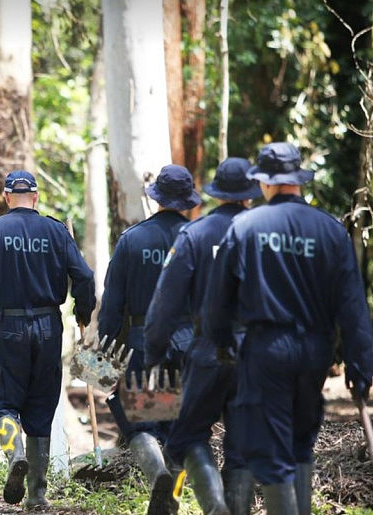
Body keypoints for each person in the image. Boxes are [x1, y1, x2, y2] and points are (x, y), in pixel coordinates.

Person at [203, 142, 373, 514]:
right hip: (316, 351)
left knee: (274, 445)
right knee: (301, 441)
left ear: (264, 183)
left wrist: (221, 344)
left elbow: (218, 303)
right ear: (297, 180)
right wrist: (361, 366)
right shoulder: (330, 231)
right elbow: (353, 305)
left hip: (266, 349)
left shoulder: (245, 227)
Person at [0, 170, 95, 508]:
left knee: (1, 402)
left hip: (10, 326)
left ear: (7, 197)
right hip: (50, 326)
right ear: (35, 197)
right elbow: (84, 275)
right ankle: (37, 494)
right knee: (41, 405)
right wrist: (83, 310)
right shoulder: (56, 230)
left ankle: (15, 454)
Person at [144, 158, 261, 515]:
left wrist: (153, 352)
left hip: (209, 351)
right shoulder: (265, 235)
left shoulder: (195, 235)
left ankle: (214, 508)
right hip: (256, 353)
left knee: (188, 434)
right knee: (241, 447)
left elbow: (165, 304)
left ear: (216, 193)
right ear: (250, 195)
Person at [97, 165, 200, 515]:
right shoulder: (198, 238)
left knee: (142, 423)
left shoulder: (132, 240)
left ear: (156, 198)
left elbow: (112, 306)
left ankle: (156, 472)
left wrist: (105, 361)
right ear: (187, 200)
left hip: (143, 344)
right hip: (188, 344)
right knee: (181, 428)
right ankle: (171, 498)